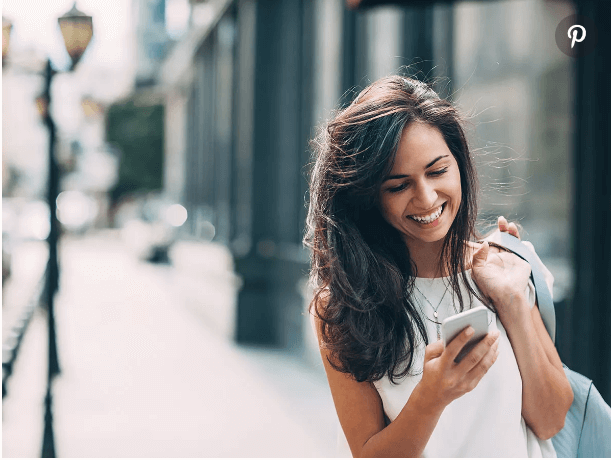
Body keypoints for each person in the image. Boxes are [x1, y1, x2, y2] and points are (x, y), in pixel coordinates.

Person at [303, 76, 573, 458]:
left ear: (458, 163)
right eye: (398, 186)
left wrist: (512, 302)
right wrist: (432, 396)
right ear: (368, 198)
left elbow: (551, 420)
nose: (426, 198)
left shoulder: (504, 267)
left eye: (437, 171)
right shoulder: (343, 304)